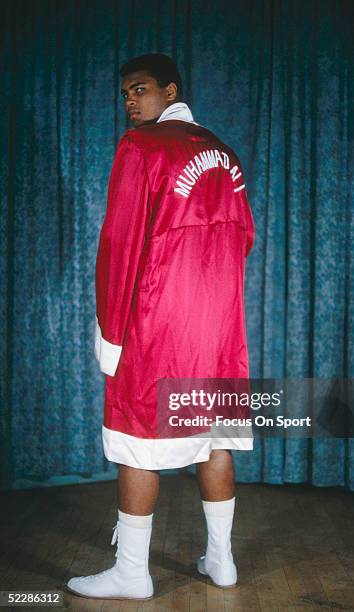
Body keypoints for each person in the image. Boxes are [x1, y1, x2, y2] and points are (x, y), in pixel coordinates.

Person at [67, 53, 255, 601]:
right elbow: (243, 236)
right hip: (218, 327)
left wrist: (111, 332)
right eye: (125, 93)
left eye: (140, 90)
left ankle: (131, 572)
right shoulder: (226, 153)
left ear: (170, 90)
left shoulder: (141, 147)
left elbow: (120, 245)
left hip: (158, 323)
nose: (129, 101)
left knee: (136, 443)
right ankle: (221, 562)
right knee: (213, 437)